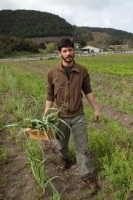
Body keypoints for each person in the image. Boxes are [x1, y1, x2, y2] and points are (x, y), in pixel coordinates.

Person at [45, 38, 100, 191]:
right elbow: (50, 94)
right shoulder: (52, 72)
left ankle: (87, 176)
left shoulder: (82, 71)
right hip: (61, 116)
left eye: (70, 50)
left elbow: (88, 91)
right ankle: (64, 160)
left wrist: (96, 108)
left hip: (78, 115)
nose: (68, 53)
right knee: (62, 144)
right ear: (59, 53)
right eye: (65, 51)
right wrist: (46, 112)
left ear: (73, 50)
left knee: (82, 148)